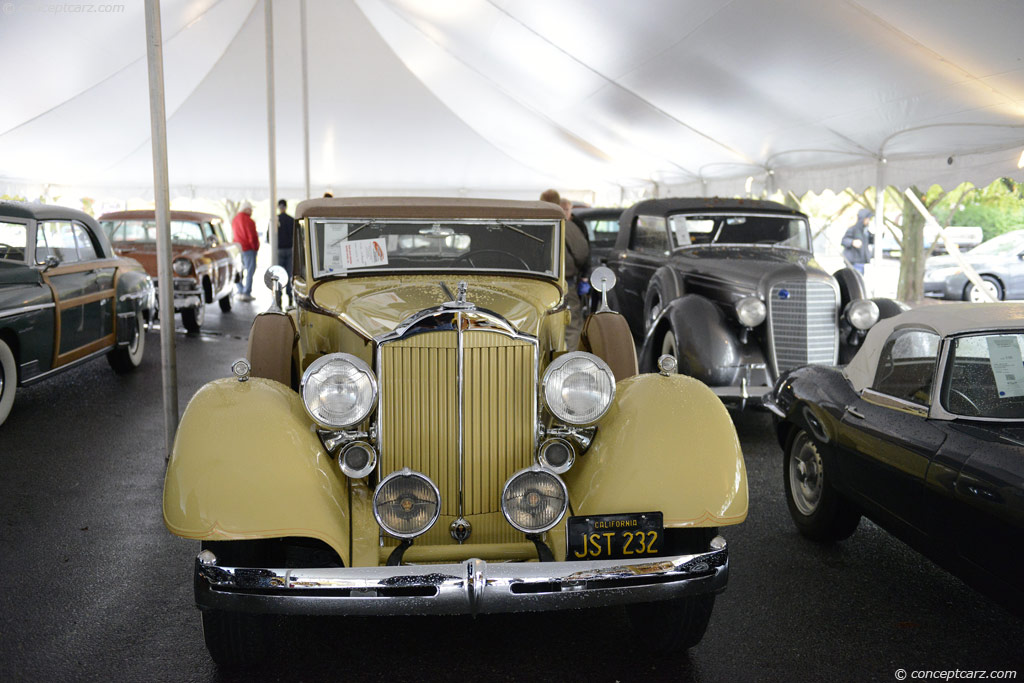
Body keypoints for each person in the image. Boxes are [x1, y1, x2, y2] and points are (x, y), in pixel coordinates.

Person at [541, 189, 590, 351]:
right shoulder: (566, 225)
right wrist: (580, 271)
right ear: (558, 203)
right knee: (572, 323)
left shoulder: (531, 222)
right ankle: (570, 362)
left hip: (537, 284)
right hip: (564, 282)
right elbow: (582, 252)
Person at [232, 200, 259, 301]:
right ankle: (246, 292)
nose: (251, 212)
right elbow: (252, 236)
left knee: (239, 270)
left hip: (238, 248)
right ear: (246, 209)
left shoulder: (234, 220)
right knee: (250, 271)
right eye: (251, 210)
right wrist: (255, 247)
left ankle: (240, 289)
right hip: (249, 249)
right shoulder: (249, 221)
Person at [841, 208, 874, 274]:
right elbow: (844, 241)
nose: (868, 221)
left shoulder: (865, 231)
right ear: (863, 218)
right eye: (868, 219)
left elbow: (871, 240)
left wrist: (881, 234)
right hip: (854, 262)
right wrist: (852, 242)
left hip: (861, 262)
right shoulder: (853, 229)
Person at [276, 199, 295, 306]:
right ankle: (290, 297)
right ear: (286, 207)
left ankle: (279, 298)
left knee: (279, 275)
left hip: (279, 250)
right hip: (289, 249)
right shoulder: (291, 220)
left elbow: (269, 238)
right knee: (288, 274)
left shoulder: (275, 220)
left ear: (279, 207)